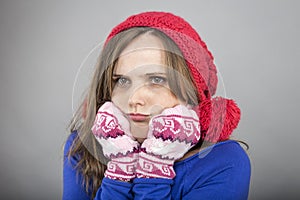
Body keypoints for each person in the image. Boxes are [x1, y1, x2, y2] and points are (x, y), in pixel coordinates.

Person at [63, 11, 251, 200]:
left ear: (192, 90)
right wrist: (120, 169)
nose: (134, 99)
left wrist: (154, 167)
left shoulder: (224, 161)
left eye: (156, 79)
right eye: (122, 81)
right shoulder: (84, 146)